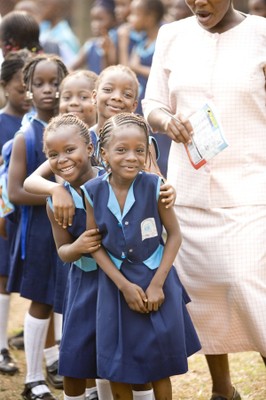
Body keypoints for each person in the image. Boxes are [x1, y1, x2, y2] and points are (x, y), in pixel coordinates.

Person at [142, 1, 266, 400]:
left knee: (247, 285)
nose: (199, 3)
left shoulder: (261, 35)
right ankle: (222, 389)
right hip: (188, 191)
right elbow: (152, 104)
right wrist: (166, 121)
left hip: (250, 187)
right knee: (204, 292)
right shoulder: (172, 36)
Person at [82, 112, 201, 400]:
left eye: (140, 150)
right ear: (104, 154)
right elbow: (94, 243)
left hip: (156, 279)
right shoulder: (92, 191)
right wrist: (123, 285)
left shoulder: (155, 186)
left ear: (148, 151)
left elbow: (174, 235)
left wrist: (158, 284)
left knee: (159, 364)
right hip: (115, 286)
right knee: (118, 362)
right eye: (121, 150)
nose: (131, 157)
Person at [7, 53, 68, 400]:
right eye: (39, 84)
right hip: (39, 234)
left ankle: (61, 363)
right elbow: (15, 191)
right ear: (27, 90)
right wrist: (55, 197)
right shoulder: (26, 136)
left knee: (64, 301)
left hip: (67, 231)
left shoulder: (71, 130)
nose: (48, 90)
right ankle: (33, 379)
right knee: (41, 302)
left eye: (55, 83)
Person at [0, 49, 31, 376]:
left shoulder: (34, 123)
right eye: (20, 89)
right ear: (5, 86)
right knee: (3, 280)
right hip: (4, 216)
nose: (27, 96)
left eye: (30, 89)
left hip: (27, 215)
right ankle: (1, 347)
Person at [69, 1, 117, 74]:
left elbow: (108, 74)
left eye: (100, 19)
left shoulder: (117, 43)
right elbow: (70, 68)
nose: (95, 24)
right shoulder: (91, 45)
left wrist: (105, 54)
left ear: (113, 20)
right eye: (93, 19)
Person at [37, 0, 80, 67]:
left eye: (44, 6)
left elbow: (70, 67)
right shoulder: (43, 28)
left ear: (57, 10)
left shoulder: (66, 37)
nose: (40, 9)